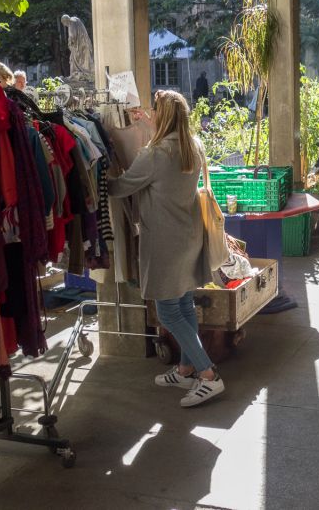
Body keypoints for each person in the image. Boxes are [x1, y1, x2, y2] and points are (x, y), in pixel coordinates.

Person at [108, 90, 225, 407]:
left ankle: (208, 374)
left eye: (155, 110)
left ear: (164, 116)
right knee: (185, 304)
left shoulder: (156, 154)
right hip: (188, 238)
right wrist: (149, 127)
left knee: (168, 312)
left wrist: (99, 174)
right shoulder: (193, 146)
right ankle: (186, 368)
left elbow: (122, 187)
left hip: (163, 243)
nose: (151, 113)